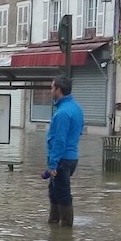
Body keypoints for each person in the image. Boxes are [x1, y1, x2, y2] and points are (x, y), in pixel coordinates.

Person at [46, 77, 85, 227]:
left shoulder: (62, 113)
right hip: (71, 157)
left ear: (59, 90)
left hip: (62, 159)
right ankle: (54, 222)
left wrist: (53, 164)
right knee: (54, 191)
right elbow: (79, 131)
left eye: (52, 88)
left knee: (62, 193)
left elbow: (59, 140)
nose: (51, 91)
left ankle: (66, 229)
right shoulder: (76, 108)